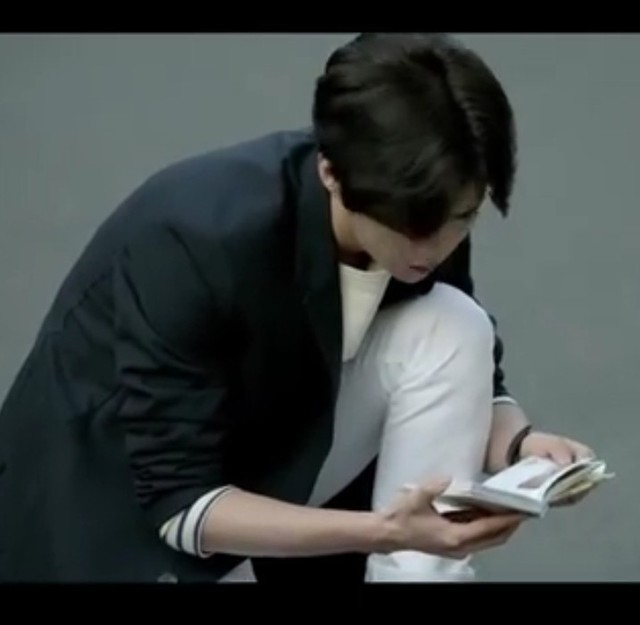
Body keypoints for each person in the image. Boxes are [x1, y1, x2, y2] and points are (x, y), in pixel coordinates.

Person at [0, 32, 594, 583]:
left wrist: (520, 446)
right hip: (114, 506)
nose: (435, 248)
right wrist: (384, 530)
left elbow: (469, 373)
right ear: (330, 172)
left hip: (274, 433)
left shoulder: (426, 204)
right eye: (414, 227)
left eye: (463, 218)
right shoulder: (193, 237)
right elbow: (178, 503)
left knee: (455, 323)